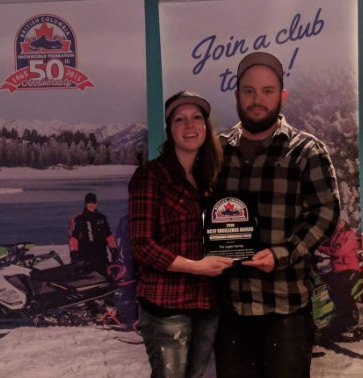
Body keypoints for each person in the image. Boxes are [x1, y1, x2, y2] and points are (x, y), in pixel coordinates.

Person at [213, 52, 340, 378]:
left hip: (285, 311)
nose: (258, 100)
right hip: (231, 309)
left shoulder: (306, 150)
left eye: (267, 91)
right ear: (237, 94)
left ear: (281, 96)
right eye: (249, 91)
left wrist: (283, 254)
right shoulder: (217, 150)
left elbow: (326, 212)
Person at [128, 91, 233, 378]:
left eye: (197, 118)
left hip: (207, 303)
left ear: (205, 126)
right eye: (180, 119)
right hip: (167, 305)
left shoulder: (211, 176)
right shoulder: (151, 176)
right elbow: (142, 245)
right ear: (169, 129)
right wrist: (197, 267)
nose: (190, 125)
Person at [317, 211, 362, 341]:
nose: (339, 224)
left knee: (343, 292)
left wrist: (322, 249)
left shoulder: (349, 234)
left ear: (346, 222)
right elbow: (325, 245)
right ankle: (338, 320)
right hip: (337, 270)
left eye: (341, 221)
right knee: (332, 291)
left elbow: (339, 251)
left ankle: (352, 318)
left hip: (350, 269)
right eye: (337, 222)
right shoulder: (334, 235)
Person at [69, 192, 118, 277]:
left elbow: (109, 235)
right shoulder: (79, 219)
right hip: (85, 258)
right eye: (89, 206)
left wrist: (113, 249)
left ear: (96, 204)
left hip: (101, 257)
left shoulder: (102, 218)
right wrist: (74, 253)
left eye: (93, 205)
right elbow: (73, 238)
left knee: (105, 281)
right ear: (86, 205)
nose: (91, 208)